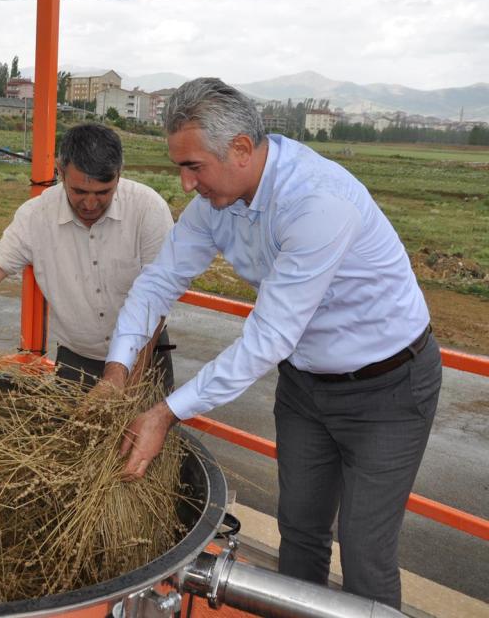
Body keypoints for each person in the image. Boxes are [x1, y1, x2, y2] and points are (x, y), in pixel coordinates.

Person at [96, 77, 440, 609]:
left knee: (366, 552)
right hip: (306, 385)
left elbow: (269, 336)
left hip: (387, 388)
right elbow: (160, 281)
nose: (186, 185)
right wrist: (117, 369)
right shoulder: (219, 199)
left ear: (239, 149)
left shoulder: (317, 201)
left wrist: (165, 412)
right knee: (300, 533)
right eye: (179, 168)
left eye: (193, 167)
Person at [0, 122, 175, 389]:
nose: (90, 203)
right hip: (77, 360)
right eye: (79, 191)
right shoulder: (35, 216)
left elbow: (156, 301)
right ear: (61, 172)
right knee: (73, 430)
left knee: (145, 430)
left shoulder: (148, 210)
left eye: (102, 192)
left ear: (119, 175)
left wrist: (128, 380)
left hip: (146, 354)